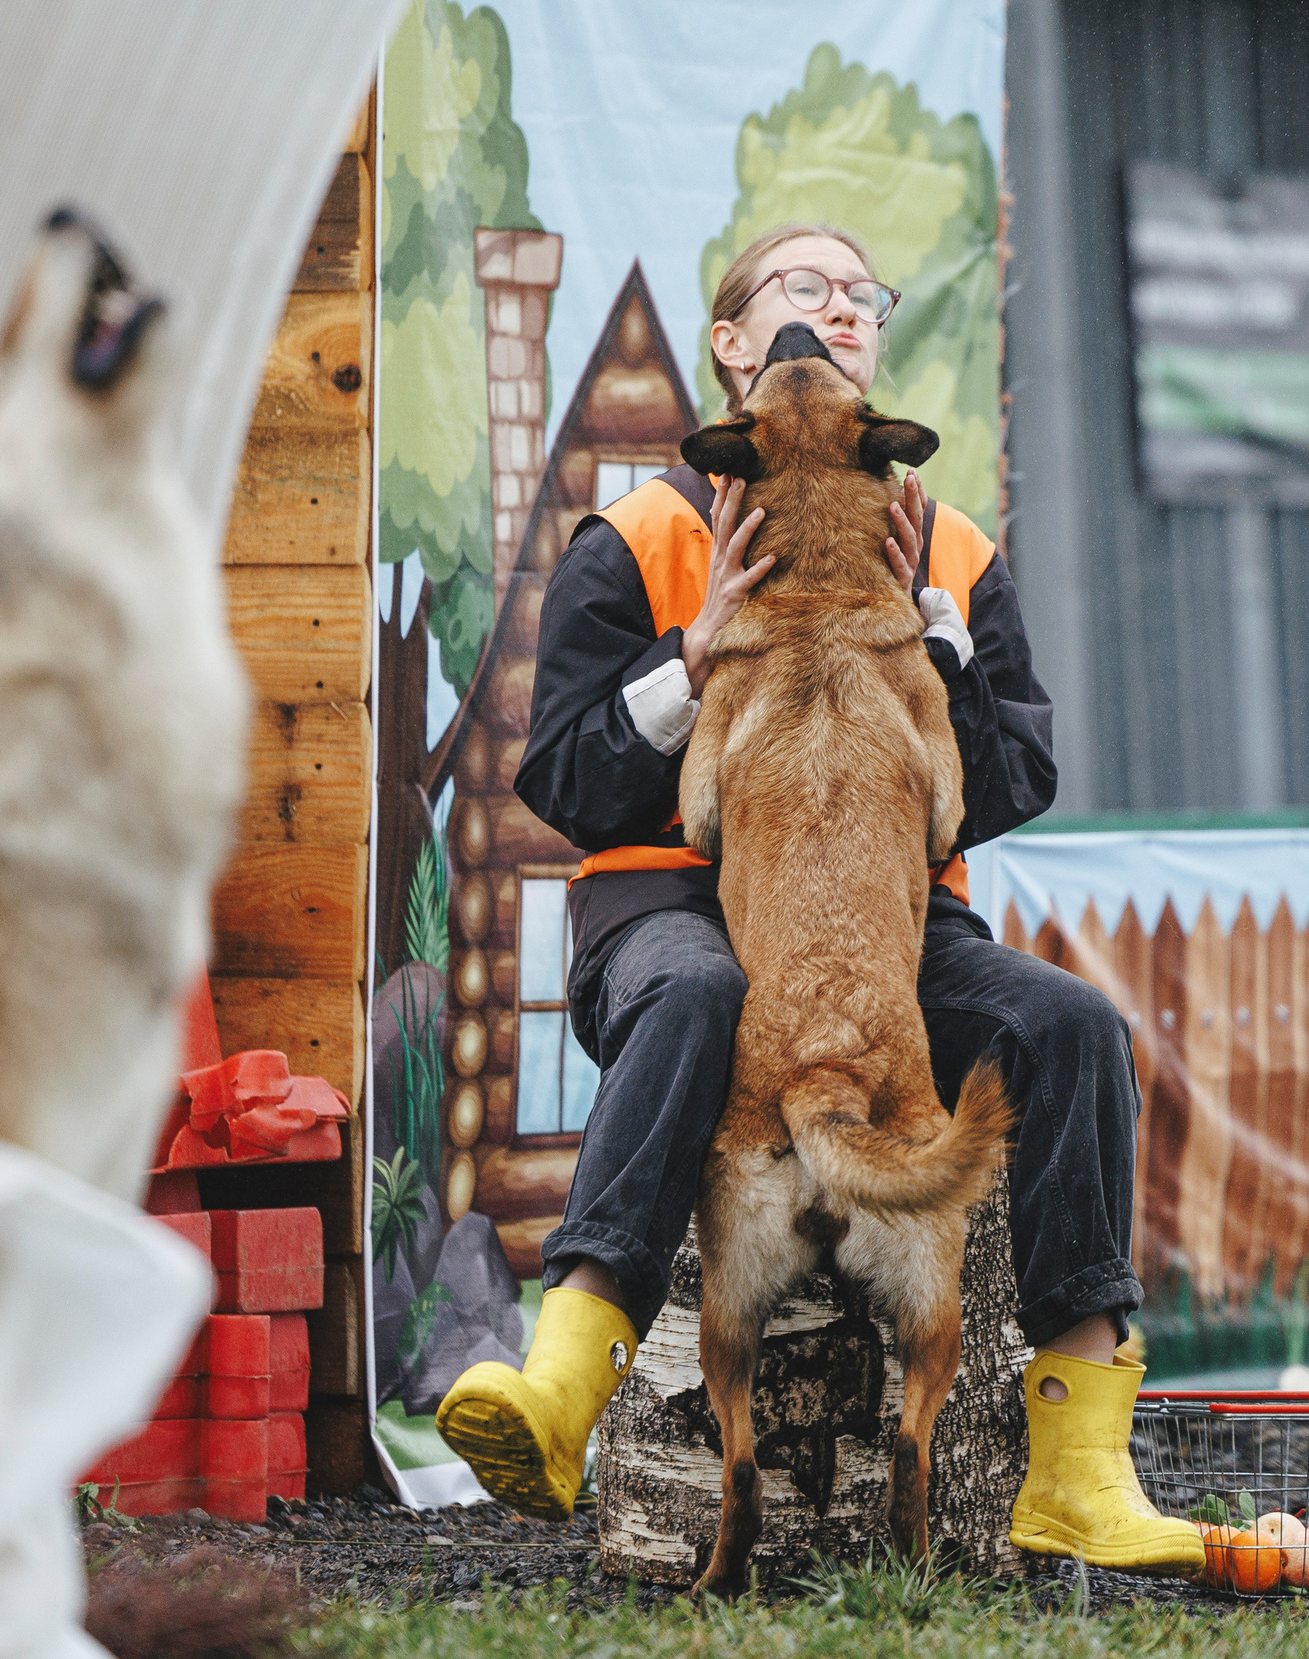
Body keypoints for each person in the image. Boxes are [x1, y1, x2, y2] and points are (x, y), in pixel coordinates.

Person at [433, 224, 1203, 1575]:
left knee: (1073, 1026)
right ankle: (561, 1386)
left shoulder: (951, 548)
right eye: (804, 288)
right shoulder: (640, 537)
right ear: (732, 346)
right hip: (669, 906)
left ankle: (1080, 1464)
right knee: (700, 993)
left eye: (862, 296)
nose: (838, 309)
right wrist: (692, 658)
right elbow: (559, 779)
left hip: (888, 928)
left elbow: (1014, 778)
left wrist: (934, 644)